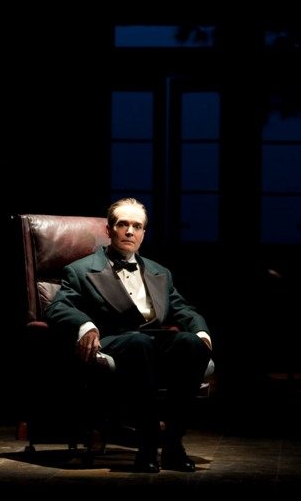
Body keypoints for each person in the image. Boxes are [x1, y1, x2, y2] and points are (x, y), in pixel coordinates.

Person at [46, 197, 212, 473]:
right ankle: (148, 444)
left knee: (191, 344)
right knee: (138, 342)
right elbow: (58, 307)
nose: (130, 231)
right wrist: (86, 326)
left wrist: (201, 332)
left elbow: (183, 308)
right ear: (109, 230)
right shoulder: (80, 270)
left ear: (144, 233)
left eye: (137, 226)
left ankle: (173, 444)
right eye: (123, 224)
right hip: (116, 340)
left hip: (154, 341)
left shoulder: (160, 272)